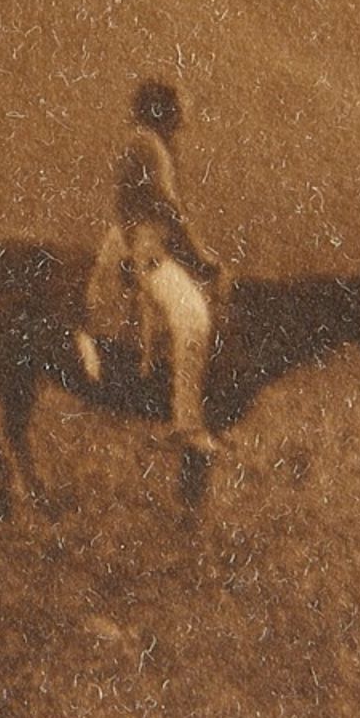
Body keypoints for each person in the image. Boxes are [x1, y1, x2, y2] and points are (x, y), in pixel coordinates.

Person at [79, 78, 225, 457]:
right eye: (180, 105)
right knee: (193, 318)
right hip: (145, 248)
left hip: (150, 244)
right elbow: (167, 208)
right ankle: (186, 425)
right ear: (164, 110)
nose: (186, 113)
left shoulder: (151, 144)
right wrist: (201, 257)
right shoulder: (147, 145)